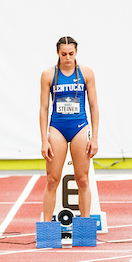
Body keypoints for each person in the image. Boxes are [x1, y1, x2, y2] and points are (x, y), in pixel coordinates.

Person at [38, 36, 100, 226]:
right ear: (58, 53)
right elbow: (43, 108)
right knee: (52, 180)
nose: (67, 58)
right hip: (57, 127)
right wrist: (44, 140)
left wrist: (95, 137)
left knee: (83, 179)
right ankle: (47, 227)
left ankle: (85, 226)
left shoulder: (86, 73)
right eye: (63, 54)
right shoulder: (48, 75)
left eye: (71, 54)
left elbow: (94, 106)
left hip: (80, 127)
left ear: (76, 52)